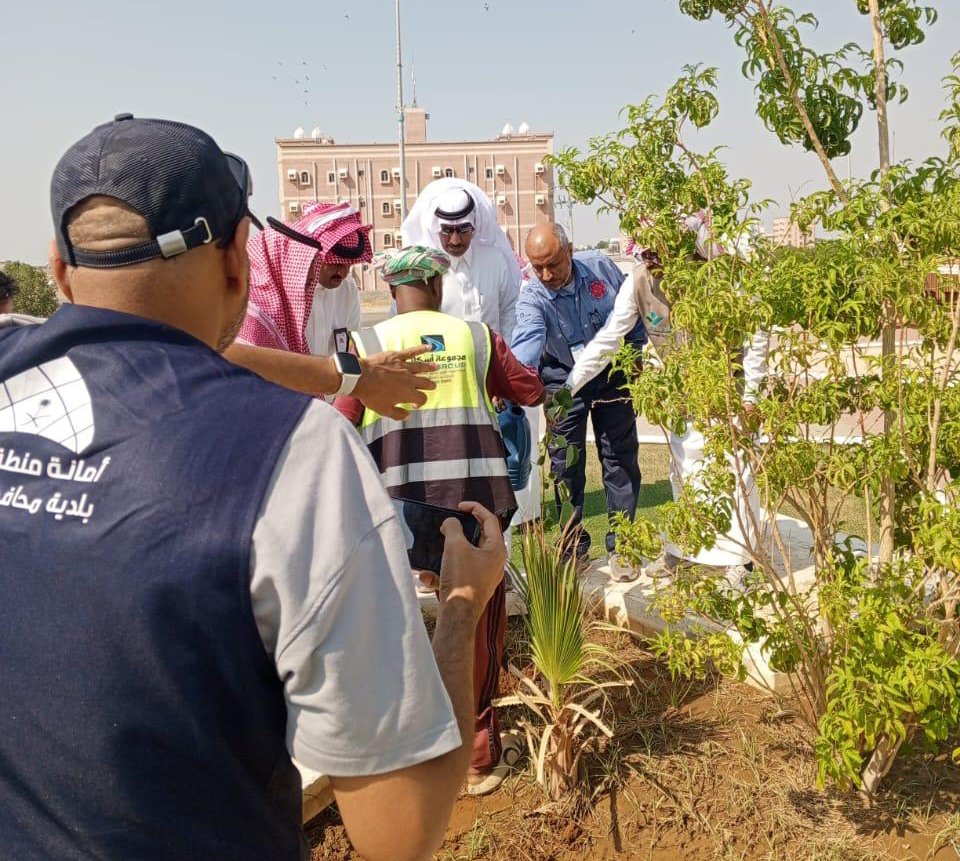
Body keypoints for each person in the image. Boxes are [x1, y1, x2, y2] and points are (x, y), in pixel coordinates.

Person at [0, 113, 505, 861]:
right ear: (241, 259)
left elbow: (212, 353)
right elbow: (399, 832)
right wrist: (463, 606)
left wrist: (351, 375)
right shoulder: (292, 455)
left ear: (60, 270)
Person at [335, 245, 544, 795]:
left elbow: (340, 425)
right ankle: (477, 755)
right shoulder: (476, 338)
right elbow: (530, 389)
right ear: (438, 284)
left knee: (392, 626)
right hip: (473, 507)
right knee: (475, 619)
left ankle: (404, 754)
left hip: (396, 513)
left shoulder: (366, 345)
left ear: (393, 288)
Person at [568, 219, 767, 582]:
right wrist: (571, 385)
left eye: (658, 253)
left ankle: (740, 561)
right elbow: (611, 336)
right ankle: (682, 550)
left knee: (735, 477)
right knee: (686, 472)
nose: (652, 261)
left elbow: (756, 335)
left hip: (729, 395)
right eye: (646, 254)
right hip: (680, 396)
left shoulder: (722, 275)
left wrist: (752, 396)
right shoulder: (639, 280)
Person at [511, 223, 646, 582]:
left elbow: (631, 312)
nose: (545, 274)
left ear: (569, 251)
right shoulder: (533, 296)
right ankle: (573, 547)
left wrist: (634, 354)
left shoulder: (601, 267)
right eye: (537, 266)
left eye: (553, 263)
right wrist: (515, 376)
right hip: (562, 378)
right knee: (564, 464)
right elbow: (527, 342)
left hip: (612, 370)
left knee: (620, 457)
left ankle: (624, 546)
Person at [223, 204, 435, 420]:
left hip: (321, 411)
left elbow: (350, 351)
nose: (343, 272)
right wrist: (361, 378)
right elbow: (248, 367)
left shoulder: (346, 289)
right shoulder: (256, 309)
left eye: (349, 264)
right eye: (334, 262)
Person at [402, 179, 521, 342]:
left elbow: (509, 313)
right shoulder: (422, 270)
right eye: (447, 231)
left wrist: (508, 359)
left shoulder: (495, 261)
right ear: (435, 227)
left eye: (464, 230)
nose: (455, 240)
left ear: (474, 226)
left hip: (492, 363)